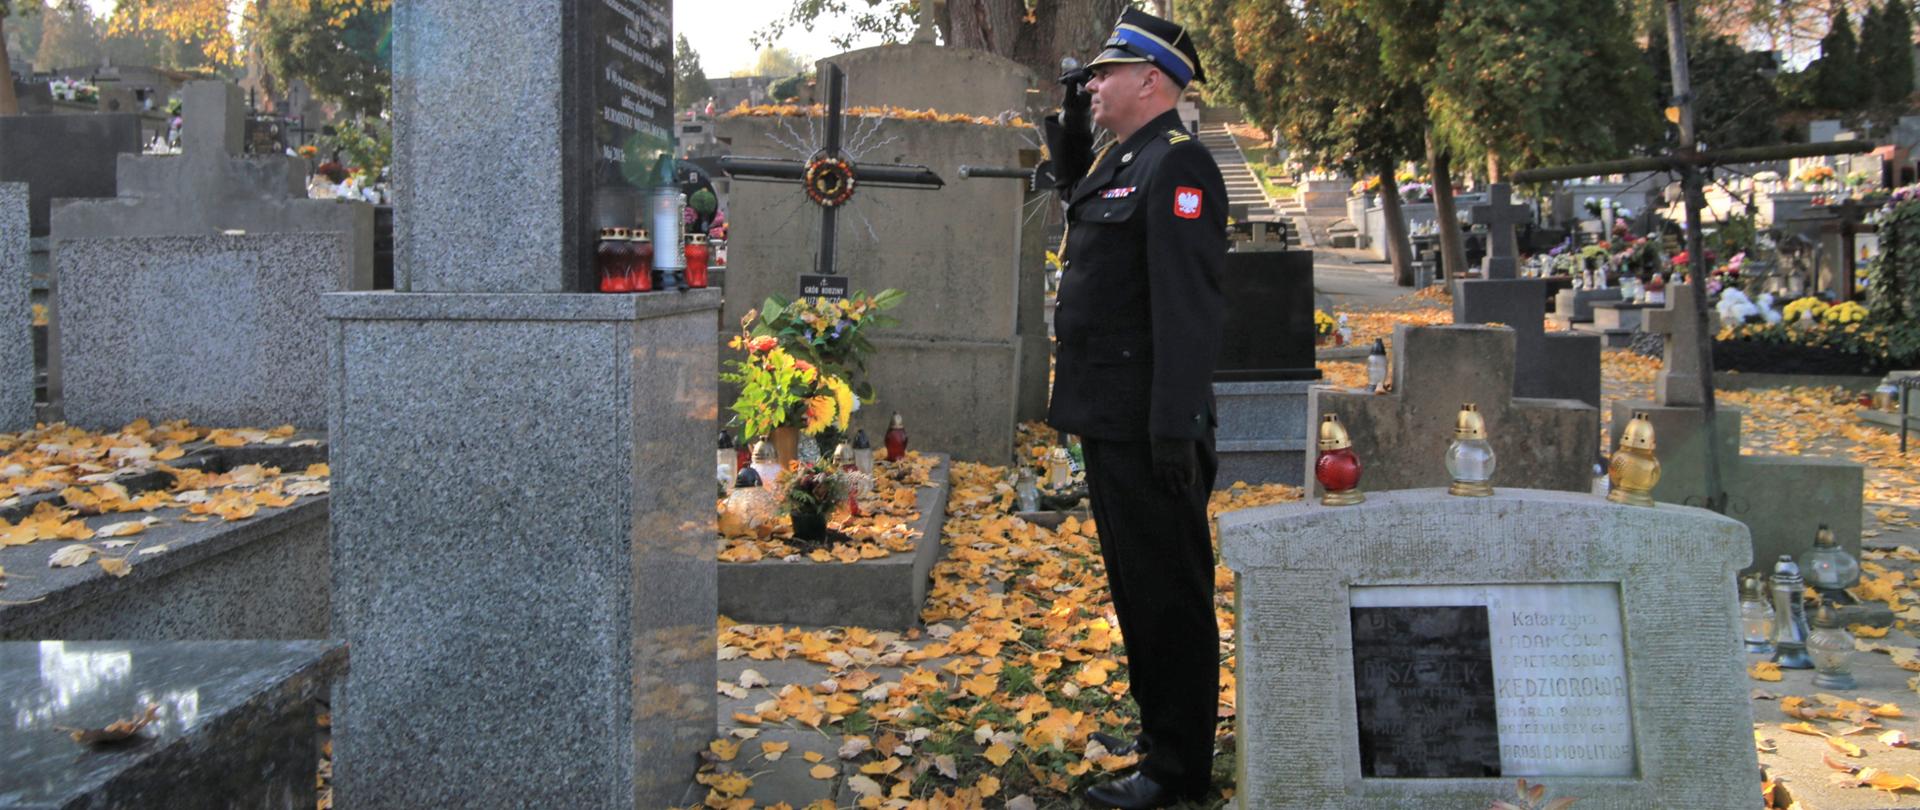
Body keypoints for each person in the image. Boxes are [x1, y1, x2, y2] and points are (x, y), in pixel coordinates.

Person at [1041, 9, 1227, 809]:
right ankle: (1163, 739)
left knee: (1168, 597)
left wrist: (1175, 428)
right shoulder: (1126, 160)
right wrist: (1074, 166)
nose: (1091, 83)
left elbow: (1186, 311)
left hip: (1152, 426)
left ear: (1151, 79)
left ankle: (1179, 773)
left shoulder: (1178, 169)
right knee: (1137, 593)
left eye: (1105, 73)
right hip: (1112, 418)